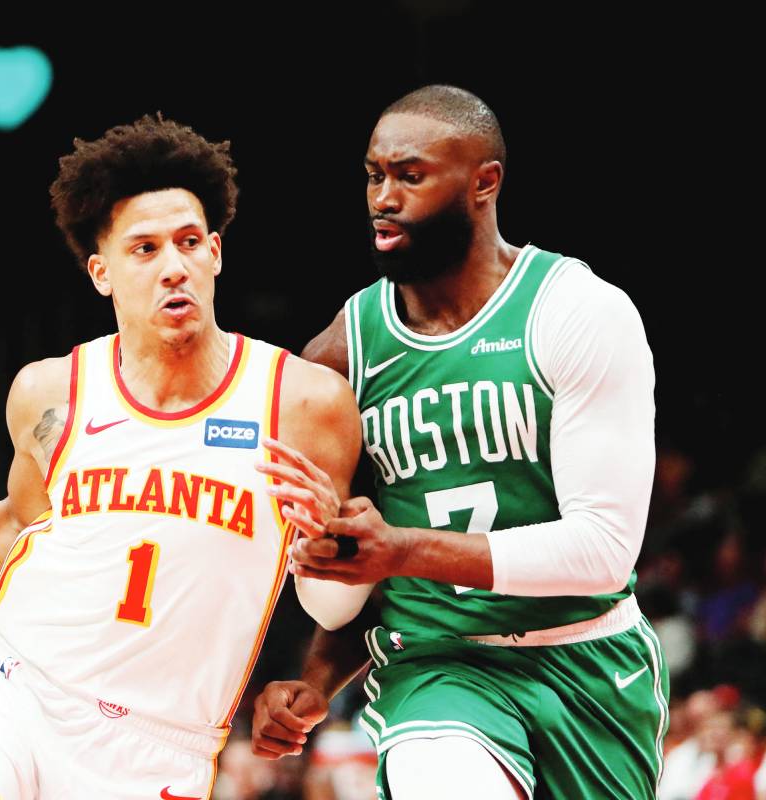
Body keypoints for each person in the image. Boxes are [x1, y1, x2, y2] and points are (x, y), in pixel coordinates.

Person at [0, 114, 361, 799]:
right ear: (102, 272)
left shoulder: (303, 404)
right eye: (144, 249)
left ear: (215, 253)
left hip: (161, 747)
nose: (172, 266)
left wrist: (332, 539)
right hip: (18, 697)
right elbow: (18, 529)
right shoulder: (49, 393)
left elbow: (332, 607)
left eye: (186, 243)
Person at [251, 85, 669, 799]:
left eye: (409, 176)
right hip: (435, 668)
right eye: (374, 175)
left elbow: (603, 551)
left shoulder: (575, 311)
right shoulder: (339, 358)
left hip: (590, 660)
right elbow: (353, 577)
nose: (383, 197)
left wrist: (401, 549)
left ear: (485, 182)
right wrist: (319, 665)